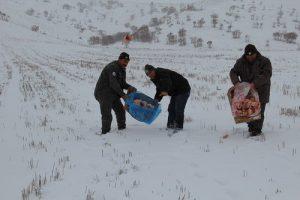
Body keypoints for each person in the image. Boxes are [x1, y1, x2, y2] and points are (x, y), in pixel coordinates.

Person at [230, 44, 272, 136]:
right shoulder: (240, 62)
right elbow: (233, 72)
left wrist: (254, 84)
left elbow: (266, 75)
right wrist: (236, 82)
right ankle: (251, 128)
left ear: (256, 53)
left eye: (252, 55)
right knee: (248, 110)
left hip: (261, 90)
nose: (250, 57)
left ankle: (256, 131)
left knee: (259, 112)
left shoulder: (265, 61)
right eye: (248, 56)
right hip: (246, 92)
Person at [94, 52, 137, 134]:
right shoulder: (112, 67)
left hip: (113, 93)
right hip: (103, 93)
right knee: (107, 114)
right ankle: (105, 133)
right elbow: (113, 83)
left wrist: (129, 87)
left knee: (120, 111)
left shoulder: (122, 70)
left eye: (127, 62)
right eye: (124, 61)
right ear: (119, 59)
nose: (126, 63)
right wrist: (123, 95)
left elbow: (122, 83)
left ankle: (122, 129)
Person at [144, 64, 191, 131]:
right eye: (148, 74)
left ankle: (178, 127)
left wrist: (166, 92)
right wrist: (156, 99)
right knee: (171, 108)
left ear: (153, 70)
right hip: (175, 91)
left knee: (178, 108)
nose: (150, 75)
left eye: (150, 72)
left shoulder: (162, 73)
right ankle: (170, 126)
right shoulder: (154, 78)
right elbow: (159, 89)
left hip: (183, 89)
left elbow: (168, 83)